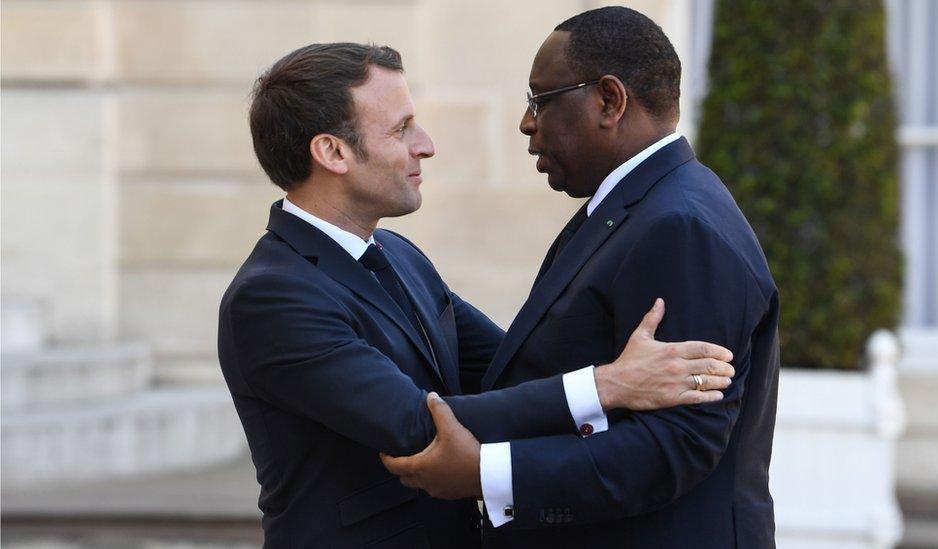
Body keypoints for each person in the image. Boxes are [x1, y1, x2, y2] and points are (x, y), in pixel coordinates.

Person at [217, 41, 736, 548]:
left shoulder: (399, 255)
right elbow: (420, 424)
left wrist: (638, 380)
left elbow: (512, 369)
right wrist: (608, 386)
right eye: (401, 129)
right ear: (332, 152)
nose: (426, 144)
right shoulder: (272, 296)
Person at [381, 7, 780, 548]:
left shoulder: (680, 226)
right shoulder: (633, 207)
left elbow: (676, 446)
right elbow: (540, 358)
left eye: (540, 100)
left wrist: (488, 473)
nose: (526, 123)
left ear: (609, 101)